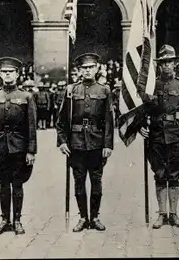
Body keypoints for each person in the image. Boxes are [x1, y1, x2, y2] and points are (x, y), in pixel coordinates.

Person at [56, 53, 114, 232]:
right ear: (79, 70)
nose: (87, 71)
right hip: (76, 144)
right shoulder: (71, 90)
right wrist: (62, 141)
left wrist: (107, 145)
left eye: (91, 67)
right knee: (79, 182)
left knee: (96, 182)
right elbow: (61, 120)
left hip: (96, 143)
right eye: (84, 68)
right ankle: (82, 217)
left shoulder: (104, 90)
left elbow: (109, 120)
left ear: (97, 68)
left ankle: (95, 217)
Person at [0, 57, 37, 236]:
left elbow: (31, 126)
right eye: (4, 72)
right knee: (3, 184)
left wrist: (31, 150)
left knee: (17, 184)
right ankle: (5, 220)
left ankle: (17, 220)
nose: (7, 75)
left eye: (11, 72)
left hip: (19, 148)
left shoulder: (26, 97)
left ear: (18, 74)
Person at [139, 45, 179, 229]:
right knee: (160, 174)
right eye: (163, 63)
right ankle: (162, 214)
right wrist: (140, 127)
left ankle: (174, 213)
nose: (166, 66)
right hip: (156, 137)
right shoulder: (152, 85)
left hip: (177, 137)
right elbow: (142, 110)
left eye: (169, 62)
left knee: (175, 175)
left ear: (175, 64)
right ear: (159, 65)